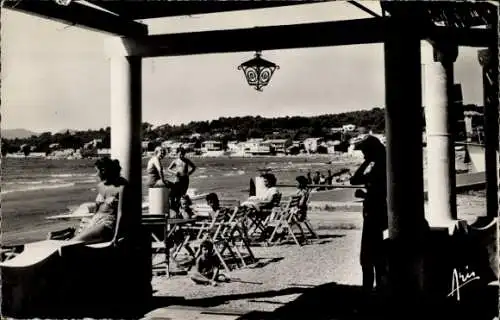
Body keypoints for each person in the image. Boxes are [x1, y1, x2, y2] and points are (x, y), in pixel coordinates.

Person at [349, 135, 388, 295]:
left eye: (366, 151)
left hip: (375, 214)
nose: (364, 154)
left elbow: (355, 180)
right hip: (376, 213)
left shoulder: (379, 167)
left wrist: (365, 195)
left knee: (368, 255)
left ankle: (369, 289)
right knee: (374, 254)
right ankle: (377, 286)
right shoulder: (382, 165)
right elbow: (355, 180)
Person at [73, 157, 128, 244]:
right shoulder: (100, 186)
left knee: (74, 242)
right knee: (72, 241)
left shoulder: (121, 187)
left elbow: (121, 214)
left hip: (107, 224)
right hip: (95, 221)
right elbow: (97, 209)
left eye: (96, 171)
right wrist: (90, 223)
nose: (96, 174)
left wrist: (116, 236)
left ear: (103, 171)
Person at [168, 147, 196, 212]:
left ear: (184, 154)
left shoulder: (187, 160)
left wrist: (189, 173)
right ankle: (174, 209)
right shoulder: (175, 161)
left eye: (182, 154)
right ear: (177, 153)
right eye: (179, 154)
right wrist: (174, 172)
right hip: (178, 179)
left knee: (182, 195)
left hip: (185, 180)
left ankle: (182, 210)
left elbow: (194, 167)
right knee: (174, 195)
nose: (181, 155)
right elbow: (168, 169)